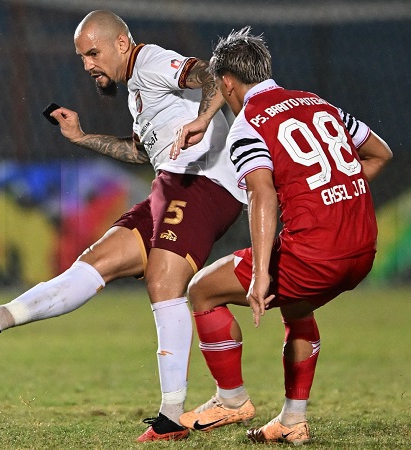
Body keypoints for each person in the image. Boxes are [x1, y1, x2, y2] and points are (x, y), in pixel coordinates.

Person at [0, 10, 247, 442]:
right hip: (172, 184)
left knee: (163, 280)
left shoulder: (152, 61)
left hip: (203, 183)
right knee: (96, 261)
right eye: (82, 57)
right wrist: (83, 137)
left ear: (121, 44)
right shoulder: (137, 92)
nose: (87, 65)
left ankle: (172, 415)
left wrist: (202, 119)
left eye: (93, 53)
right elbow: (142, 152)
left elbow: (213, 74)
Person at [172, 27, 392, 445]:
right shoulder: (318, 103)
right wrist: (332, 196)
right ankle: (292, 420)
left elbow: (262, 196)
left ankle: (231, 400)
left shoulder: (248, 124)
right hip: (363, 251)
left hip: (316, 255)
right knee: (296, 309)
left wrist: (259, 276)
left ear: (227, 83)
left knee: (202, 289)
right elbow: (380, 153)